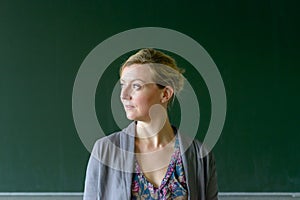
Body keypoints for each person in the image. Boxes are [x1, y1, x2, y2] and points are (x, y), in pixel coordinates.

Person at [83, 48, 218, 200]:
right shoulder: (105, 150)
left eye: (136, 86)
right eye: (123, 85)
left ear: (165, 94)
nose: (124, 95)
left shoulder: (200, 155)